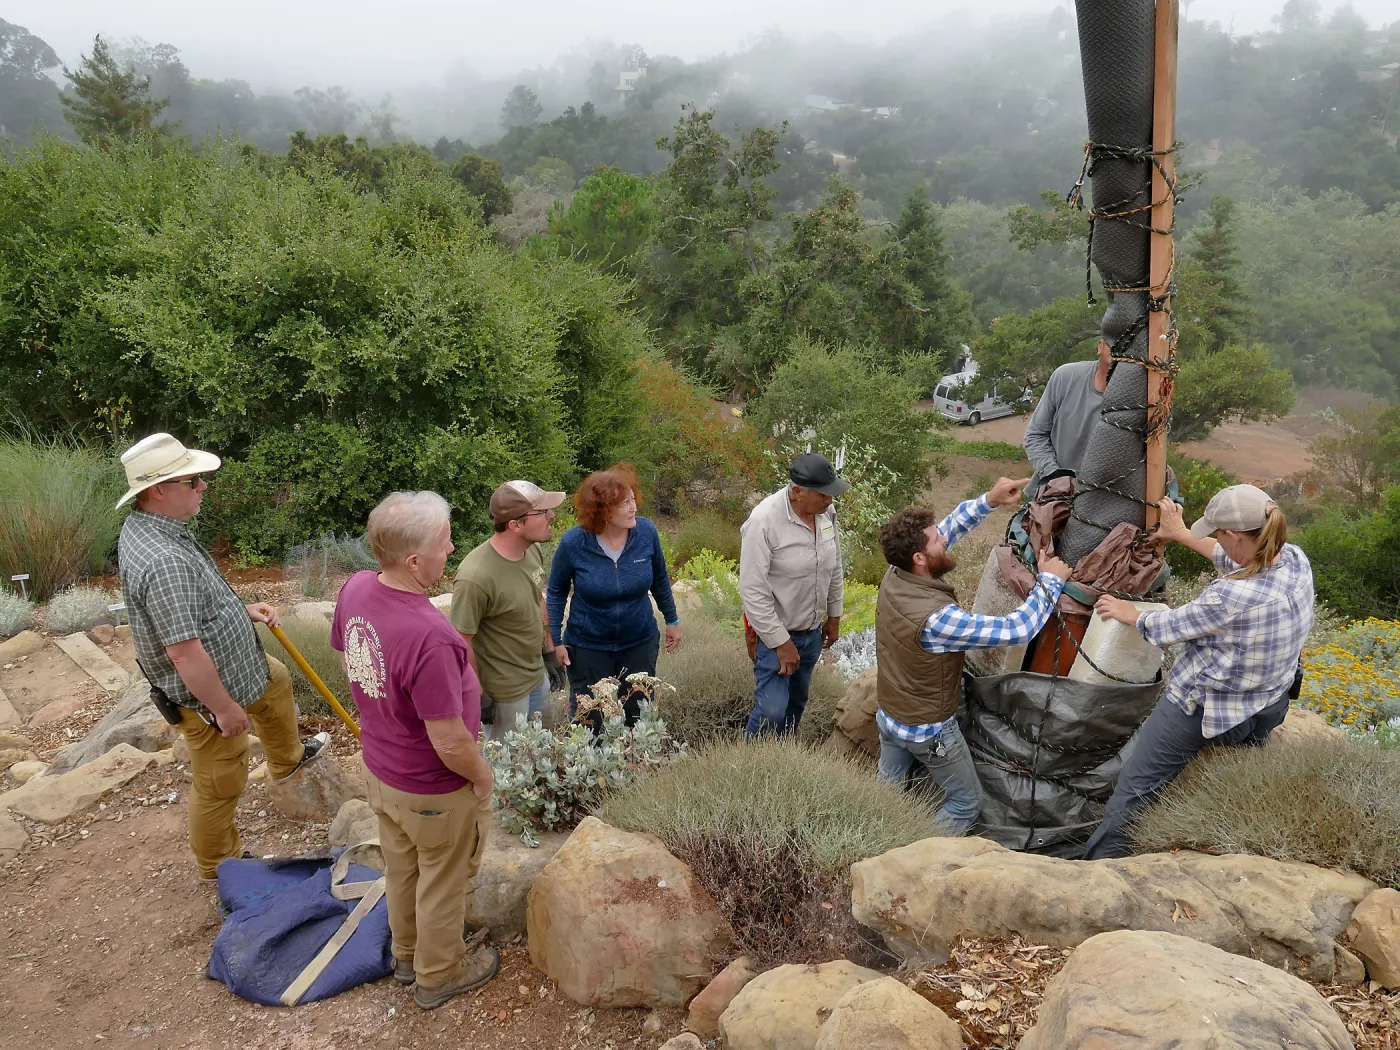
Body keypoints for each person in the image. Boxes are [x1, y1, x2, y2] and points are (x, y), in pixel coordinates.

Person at [115, 433, 328, 884]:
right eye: (193, 480)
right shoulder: (164, 560)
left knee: (277, 681)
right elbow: (184, 651)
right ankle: (220, 867)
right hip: (208, 695)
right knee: (220, 781)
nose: (203, 487)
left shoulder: (151, 528)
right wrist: (225, 709)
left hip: (238, 666)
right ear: (158, 490)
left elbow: (189, 609)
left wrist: (240, 610)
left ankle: (287, 759)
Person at [331, 491, 499, 1010]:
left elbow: (350, 663)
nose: (450, 550)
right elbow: (449, 740)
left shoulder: (357, 589)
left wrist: (383, 717)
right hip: (432, 786)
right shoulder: (431, 636)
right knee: (443, 880)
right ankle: (439, 974)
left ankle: (406, 956)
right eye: (444, 544)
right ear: (413, 560)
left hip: (383, 769)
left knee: (403, 867)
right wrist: (482, 776)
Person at [1082, 485, 1313, 860]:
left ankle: (1102, 865)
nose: (1217, 542)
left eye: (1219, 534)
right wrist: (1183, 535)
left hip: (1208, 707)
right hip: (1270, 701)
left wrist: (1131, 613)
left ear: (1235, 536)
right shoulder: (1293, 559)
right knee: (1238, 776)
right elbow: (1237, 561)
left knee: (1136, 787)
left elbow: (1171, 627)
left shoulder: (1230, 598)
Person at [875, 479, 1072, 834]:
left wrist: (990, 500)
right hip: (928, 732)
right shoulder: (937, 619)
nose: (944, 539)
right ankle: (916, 862)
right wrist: (1050, 583)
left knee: (887, 791)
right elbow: (1017, 629)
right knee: (964, 804)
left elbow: (950, 527)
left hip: (890, 719)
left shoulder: (896, 573)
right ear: (920, 558)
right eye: (936, 541)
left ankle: (876, 841)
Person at [546, 463, 681, 728]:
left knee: (639, 714)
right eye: (625, 504)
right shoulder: (574, 543)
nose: (634, 508)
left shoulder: (646, 533)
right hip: (588, 647)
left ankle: (636, 766)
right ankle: (588, 768)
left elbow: (660, 580)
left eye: (633, 500)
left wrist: (672, 621)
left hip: (639, 643)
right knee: (590, 717)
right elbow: (556, 592)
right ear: (603, 511)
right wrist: (556, 640)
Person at [739, 452, 847, 737]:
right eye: (824, 495)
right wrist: (780, 643)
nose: (830, 501)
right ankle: (750, 767)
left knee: (796, 704)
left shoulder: (826, 514)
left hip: (811, 634)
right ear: (798, 492)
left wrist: (834, 615)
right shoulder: (763, 522)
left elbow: (834, 565)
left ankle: (783, 760)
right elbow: (752, 590)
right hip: (775, 637)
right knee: (771, 711)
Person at [450, 480, 563, 737]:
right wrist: (479, 695)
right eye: (543, 512)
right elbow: (460, 642)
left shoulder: (532, 551)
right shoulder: (475, 577)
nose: (552, 516)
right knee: (507, 770)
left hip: (537, 679)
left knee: (541, 754)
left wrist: (549, 654)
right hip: (504, 694)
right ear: (515, 524)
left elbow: (538, 600)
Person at [1023, 337, 1113, 485]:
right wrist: (1055, 476)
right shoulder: (1065, 377)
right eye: (1114, 341)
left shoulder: (1143, 399)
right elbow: (1036, 435)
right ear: (1100, 346)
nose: (1121, 348)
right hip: (1051, 493)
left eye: (1129, 344)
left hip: (1104, 501)